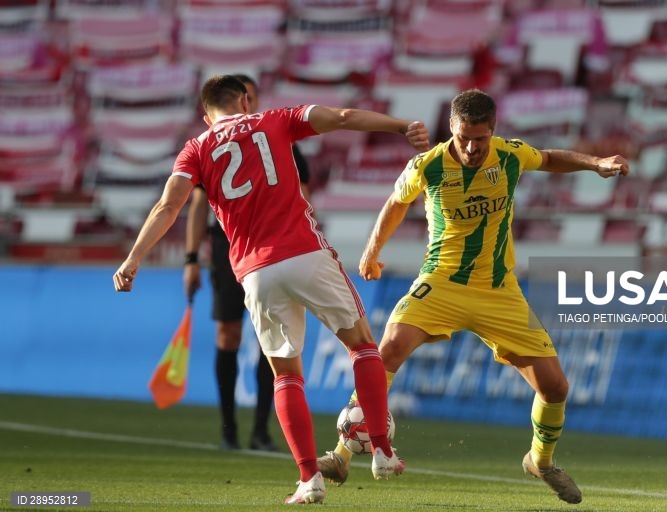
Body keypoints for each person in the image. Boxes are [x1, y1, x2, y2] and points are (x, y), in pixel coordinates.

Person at [113, 74, 430, 505]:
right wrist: (399, 127)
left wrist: (133, 259)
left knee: (286, 376)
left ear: (207, 116)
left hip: (256, 271)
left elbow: (169, 206)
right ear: (244, 100)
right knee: (362, 347)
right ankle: (381, 451)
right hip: (305, 253)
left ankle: (308, 481)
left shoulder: (196, 148)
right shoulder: (276, 120)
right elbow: (342, 116)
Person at [317, 89, 630, 505]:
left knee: (555, 388)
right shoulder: (426, 166)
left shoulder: (509, 155)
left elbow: (550, 158)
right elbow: (396, 203)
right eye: (464, 137)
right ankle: (340, 455)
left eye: (479, 138)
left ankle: (541, 459)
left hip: (499, 291)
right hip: (441, 283)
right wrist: (372, 252)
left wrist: (597, 164)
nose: (471, 146)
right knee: (388, 347)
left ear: (493, 131)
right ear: (452, 128)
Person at [183, 74, 311, 452]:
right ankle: (228, 430)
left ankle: (261, 430)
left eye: (252, 97)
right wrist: (191, 259)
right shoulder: (212, 146)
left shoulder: (276, 135)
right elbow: (196, 205)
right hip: (227, 249)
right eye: (244, 97)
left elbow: (304, 194)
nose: (248, 103)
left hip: (275, 248)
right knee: (229, 336)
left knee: (269, 342)